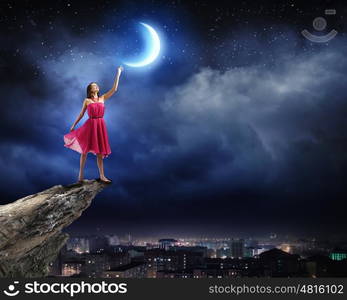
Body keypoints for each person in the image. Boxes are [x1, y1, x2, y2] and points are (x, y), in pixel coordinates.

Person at [64, 66, 123, 183]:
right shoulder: (87, 100)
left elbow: (114, 89)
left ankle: (102, 176)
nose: (96, 86)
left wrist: (118, 73)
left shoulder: (103, 98)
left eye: (97, 85)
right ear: (90, 90)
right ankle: (80, 176)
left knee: (100, 152)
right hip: (90, 125)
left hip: (100, 125)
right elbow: (81, 114)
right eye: (94, 86)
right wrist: (73, 125)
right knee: (84, 151)